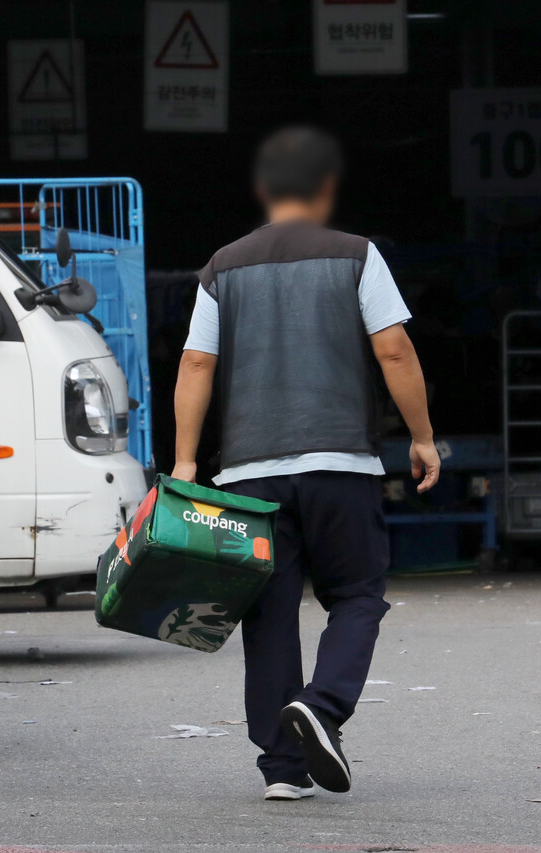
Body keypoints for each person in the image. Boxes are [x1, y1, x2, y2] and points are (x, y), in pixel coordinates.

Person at [171, 126, 439, 801]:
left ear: (264, 190)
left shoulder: (222, 266)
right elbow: (395, 350)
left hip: (247, 475)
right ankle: (323, 707)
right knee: (356, 596)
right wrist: (422, 436)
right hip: (340, 463)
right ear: (325, 189)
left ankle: (283, 770)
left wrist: (183, 461)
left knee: (269, 613)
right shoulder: (357, 255)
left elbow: (197, 363)